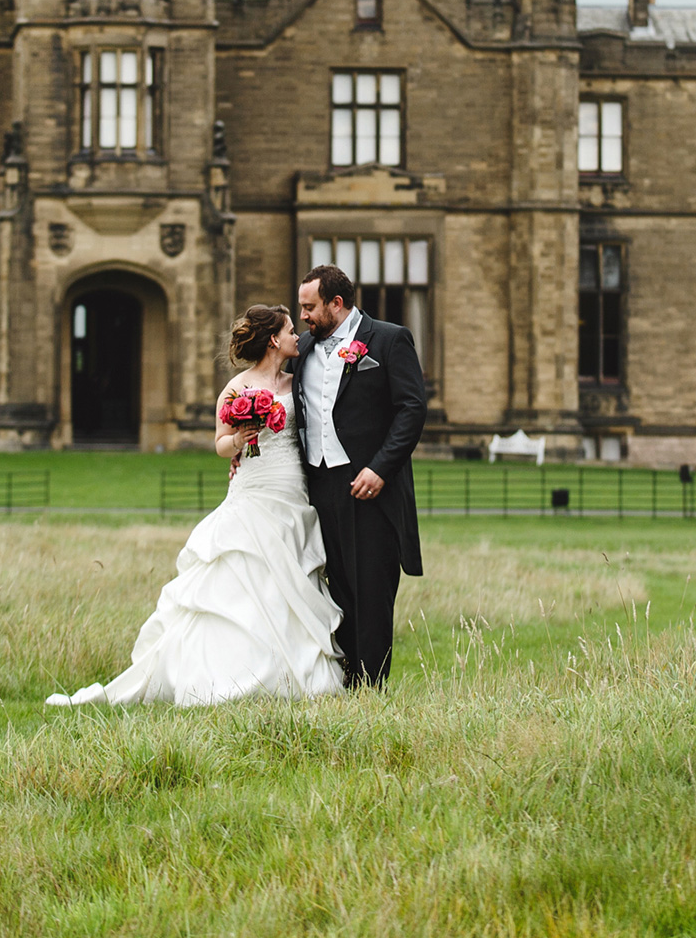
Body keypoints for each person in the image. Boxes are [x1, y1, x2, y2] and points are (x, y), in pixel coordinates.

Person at [46, 305, 345, 708]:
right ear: (274, 339)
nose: (299, 336)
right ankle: (236, 672)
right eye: (292, 329)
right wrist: (241, 439)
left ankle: (293, 668)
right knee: (243, 572)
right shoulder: (237, 387)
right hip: (254, 487)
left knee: (289, 571)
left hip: (292, 486)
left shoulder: (298, 384)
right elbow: (220, 444)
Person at [294, 264, 427, 686]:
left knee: (371, 591)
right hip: (319, 486)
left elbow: (411, 409)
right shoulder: (302, 349)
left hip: (370, 488)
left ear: (337, 303)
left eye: (310, 307)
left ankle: (369, 687)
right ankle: (342, 679)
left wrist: (380, 468)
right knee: (335, 590)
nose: (303, 316)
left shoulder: (388, 339)